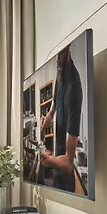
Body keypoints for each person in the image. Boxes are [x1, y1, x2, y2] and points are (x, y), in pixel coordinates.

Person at [40, 45, 83, 192]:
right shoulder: (60, 77)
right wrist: (49, 116)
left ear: (67, 53)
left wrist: (49, 160)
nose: (57, 61)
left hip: (64, 164)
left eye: (60, 57)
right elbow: (55, 101)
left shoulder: (74, 88)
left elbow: (68, 162)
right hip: (57, 154)